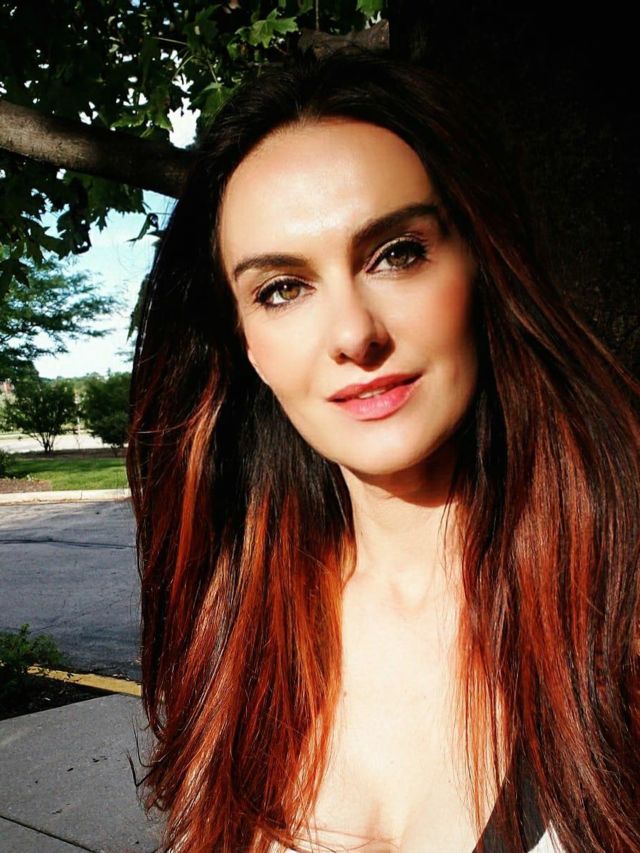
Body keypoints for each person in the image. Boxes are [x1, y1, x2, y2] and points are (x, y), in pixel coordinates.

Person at [126, 46, 640, 853]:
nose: (354, 333)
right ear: (247, 344)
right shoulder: (238, 633)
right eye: (282, 289)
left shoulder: (619, 604)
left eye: (396, 252)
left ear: (481, 262)